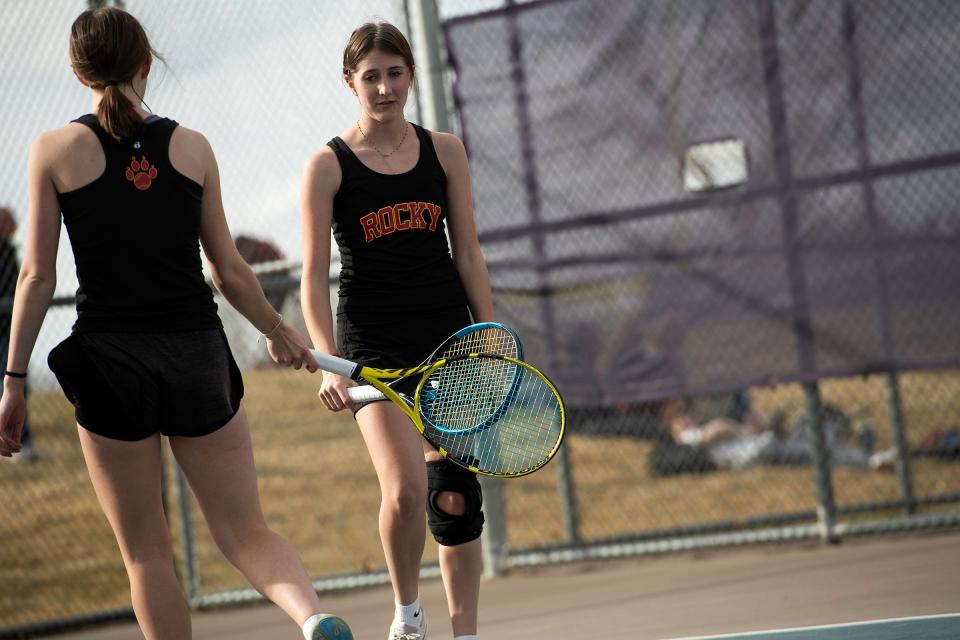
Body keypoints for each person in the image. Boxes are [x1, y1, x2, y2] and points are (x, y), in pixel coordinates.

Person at [0, 8, 351, 640]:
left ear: (79, 73)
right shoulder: (191, 147)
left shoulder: (53, 150)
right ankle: (313, 616)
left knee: (147, 554)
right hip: (197, 355)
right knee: (247, 532)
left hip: (110, 362)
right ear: (145, 64)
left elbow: (36, 278)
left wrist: (13, 378)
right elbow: (229, 272)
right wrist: (277, 328)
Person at [300, 21, 493, 640]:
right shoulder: (328, 166)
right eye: (370, 77)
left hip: (447, 339)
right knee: (407, 491)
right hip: (372, 353)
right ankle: (408, 617)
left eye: (395, 73)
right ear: (350, 83)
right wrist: (329, 363)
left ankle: (465, 632)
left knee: (455, 497)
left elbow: (468, 253)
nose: (384, 88)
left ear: (410, 74)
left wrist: (486, 333)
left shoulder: (445, 151)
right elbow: (310, 279)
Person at [0, 206, 38, 463]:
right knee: (9, 388)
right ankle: (12, 442)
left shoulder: (9, 252)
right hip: (3, 331)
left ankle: (19, 440)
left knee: (19, 385)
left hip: (8, 330)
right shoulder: (4, 253)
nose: (13, 228)